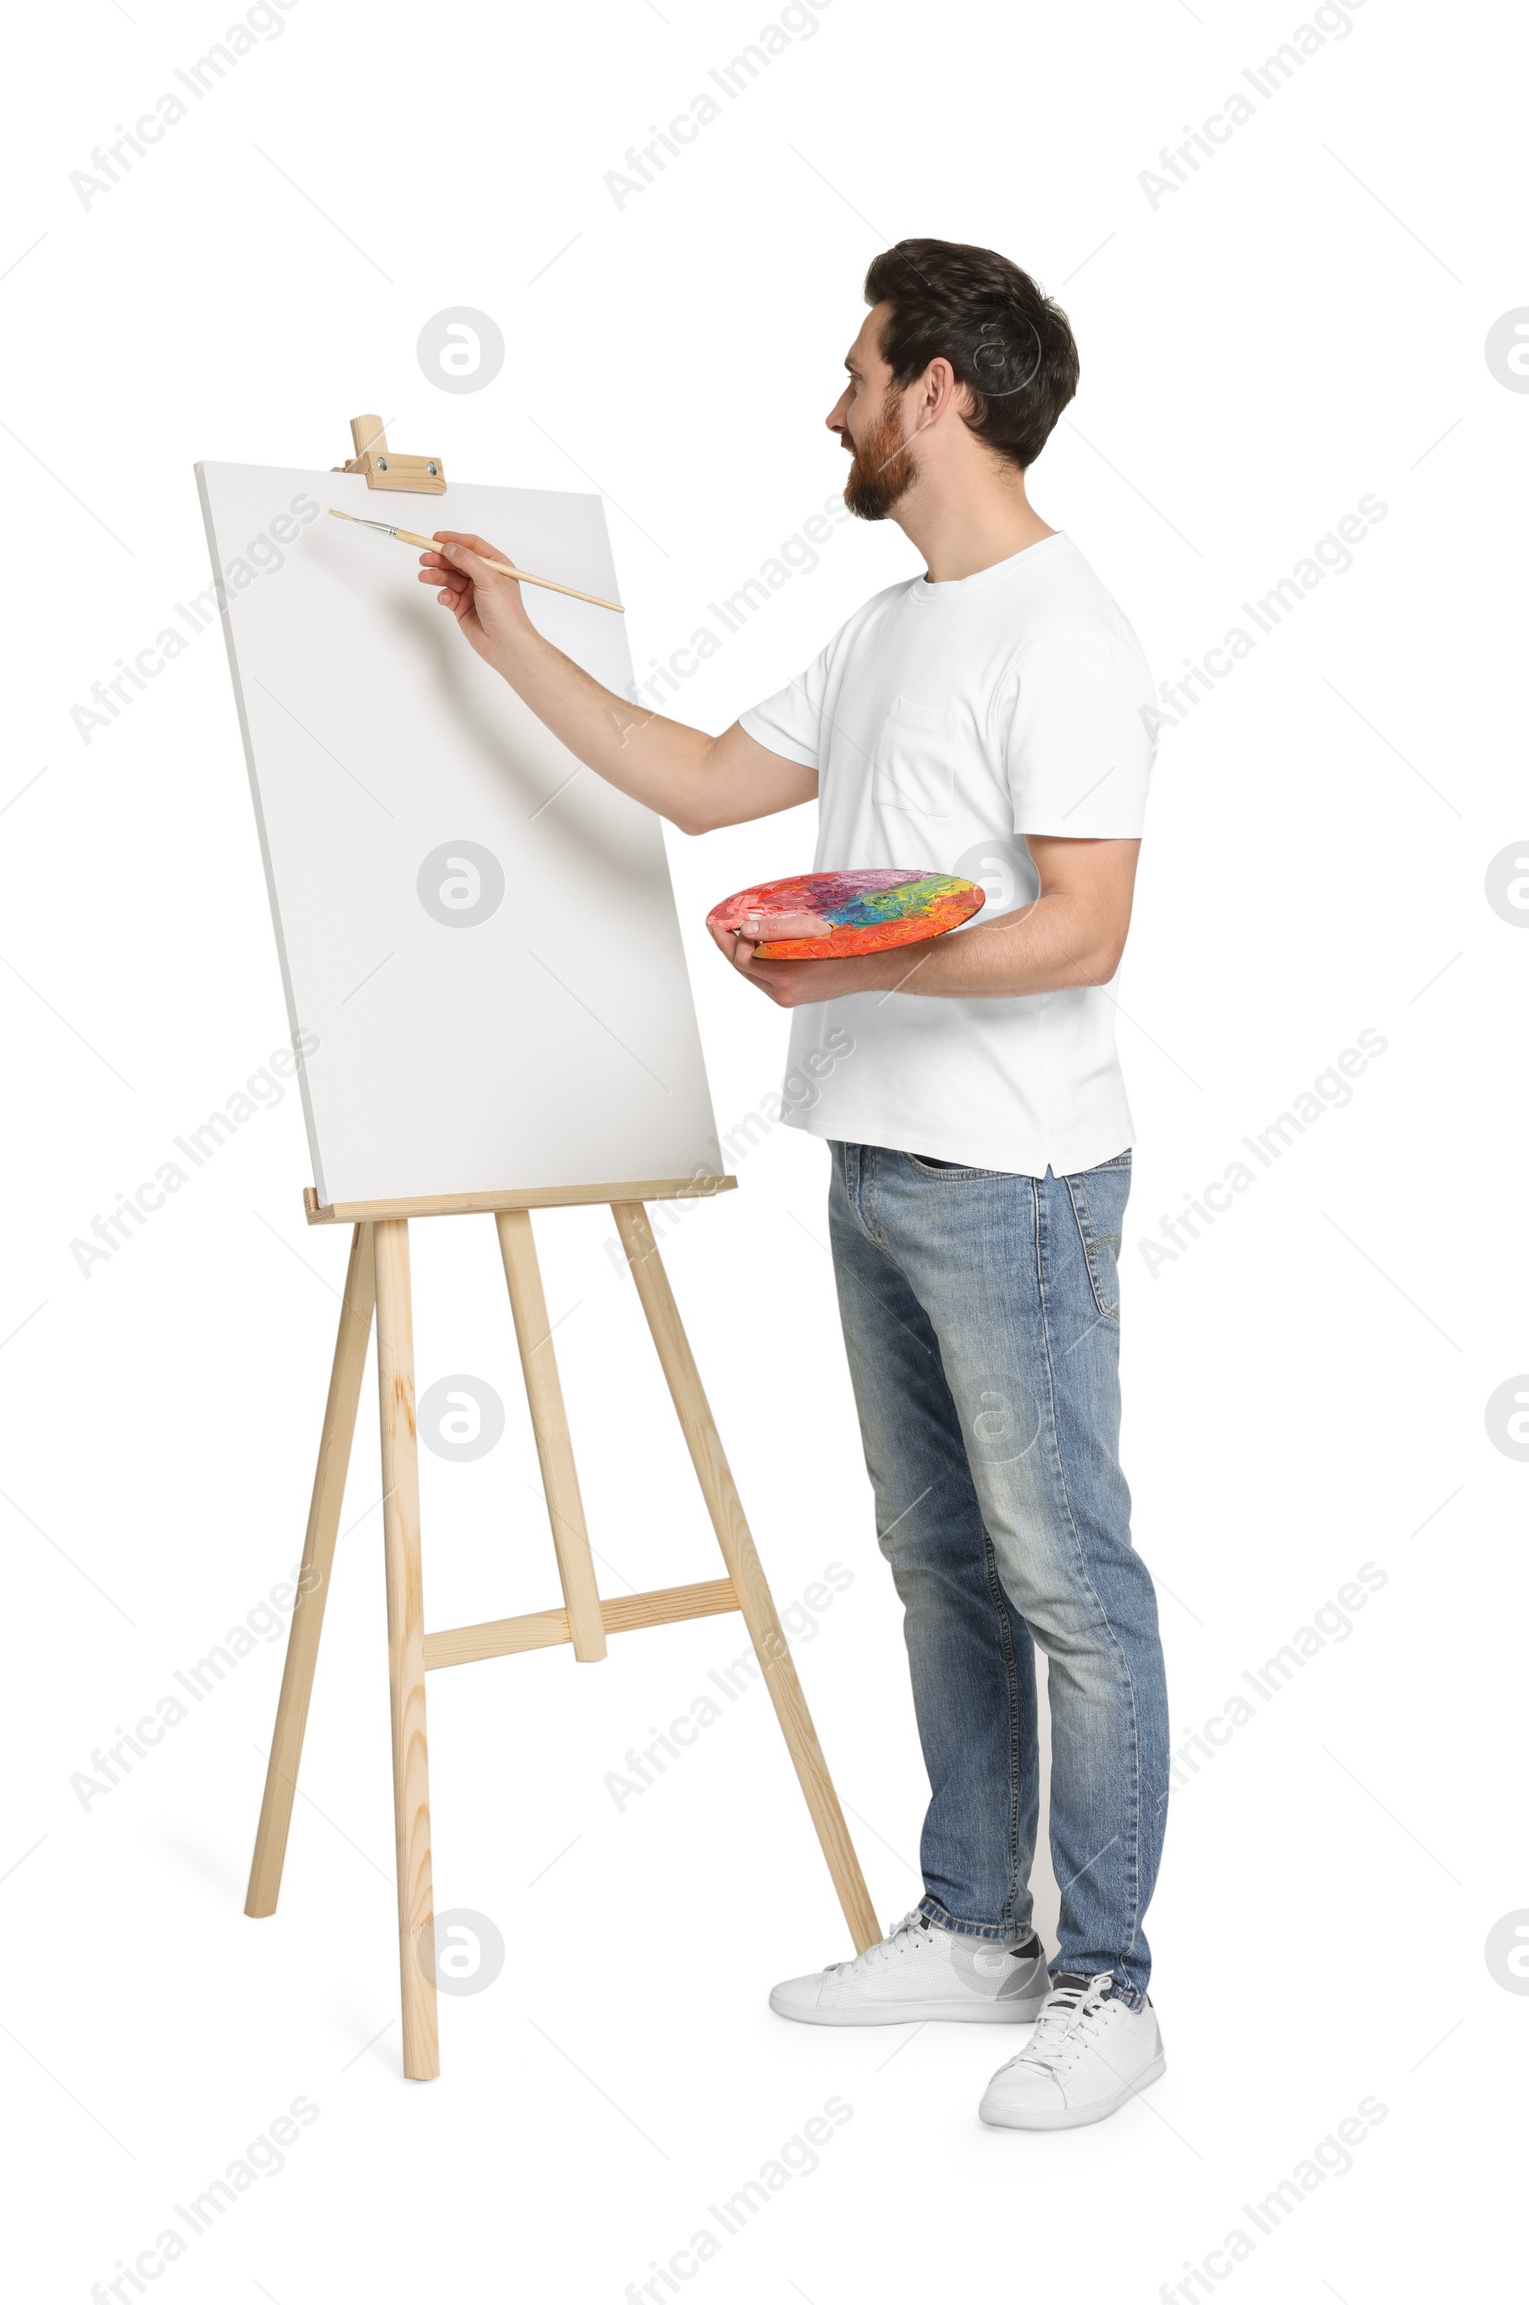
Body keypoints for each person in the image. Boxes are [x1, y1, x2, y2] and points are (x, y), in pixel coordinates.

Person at [416, 237, 1169, 2133]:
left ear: (943, 392)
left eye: (858, 371)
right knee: (935, 1566)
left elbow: (1084, 932)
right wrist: (500, 630)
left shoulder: (1067, 630)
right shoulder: (889, 625)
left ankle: (1107, 1980)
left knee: (1066, 1578)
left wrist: (865, 970)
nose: (832, 403)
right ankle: (976, 1920)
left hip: (1020, 1177)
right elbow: (684, 779)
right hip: (880, 1158)